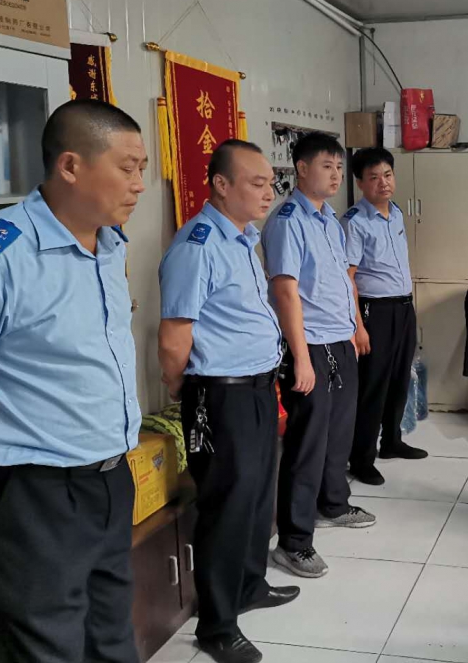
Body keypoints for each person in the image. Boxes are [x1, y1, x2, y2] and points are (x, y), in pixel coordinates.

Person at [0, 100, 146, 663]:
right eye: (127, 168)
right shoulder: (6, 253)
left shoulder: (108, 244)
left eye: (142, 168)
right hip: (37, 489)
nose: (139, 183)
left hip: (109, 475)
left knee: (111, 631)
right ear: (71, 167)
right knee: (46, 643)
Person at [158, 140, 298, 663]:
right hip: (220, 395)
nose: (268, 193)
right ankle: (217, 625)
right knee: (227, 505)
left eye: (270, 183)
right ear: (220, 185)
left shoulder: (242, 239)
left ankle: (249, 585)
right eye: (257, 183)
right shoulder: (197, 245)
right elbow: (174, 336)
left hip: (257, 388)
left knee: (258, 495)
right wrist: (185, 387)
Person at [261, 133, 376, 580]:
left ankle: (333, 504)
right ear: (302, 169)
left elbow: (343, 280)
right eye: (327, 166)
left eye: (339, 167)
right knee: (307, 444)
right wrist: (301, 357)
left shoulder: (329, 219)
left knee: (338, 434)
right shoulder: (288, 221)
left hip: (339, 340)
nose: (335, 175)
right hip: (309, 345)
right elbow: (285, 292)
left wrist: (355, 327)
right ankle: (293, 542)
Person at [341, 147, 427, 486]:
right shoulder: (354, 222)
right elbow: (348, 277)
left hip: (403, 308)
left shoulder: (397, 213)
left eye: (388, 175)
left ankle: (391, 441)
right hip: (374, 311)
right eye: (374, 177)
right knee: (373, 387)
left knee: (400, 379)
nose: (383, 183)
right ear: (360, 182)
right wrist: (358, 326)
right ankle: (361, 459)